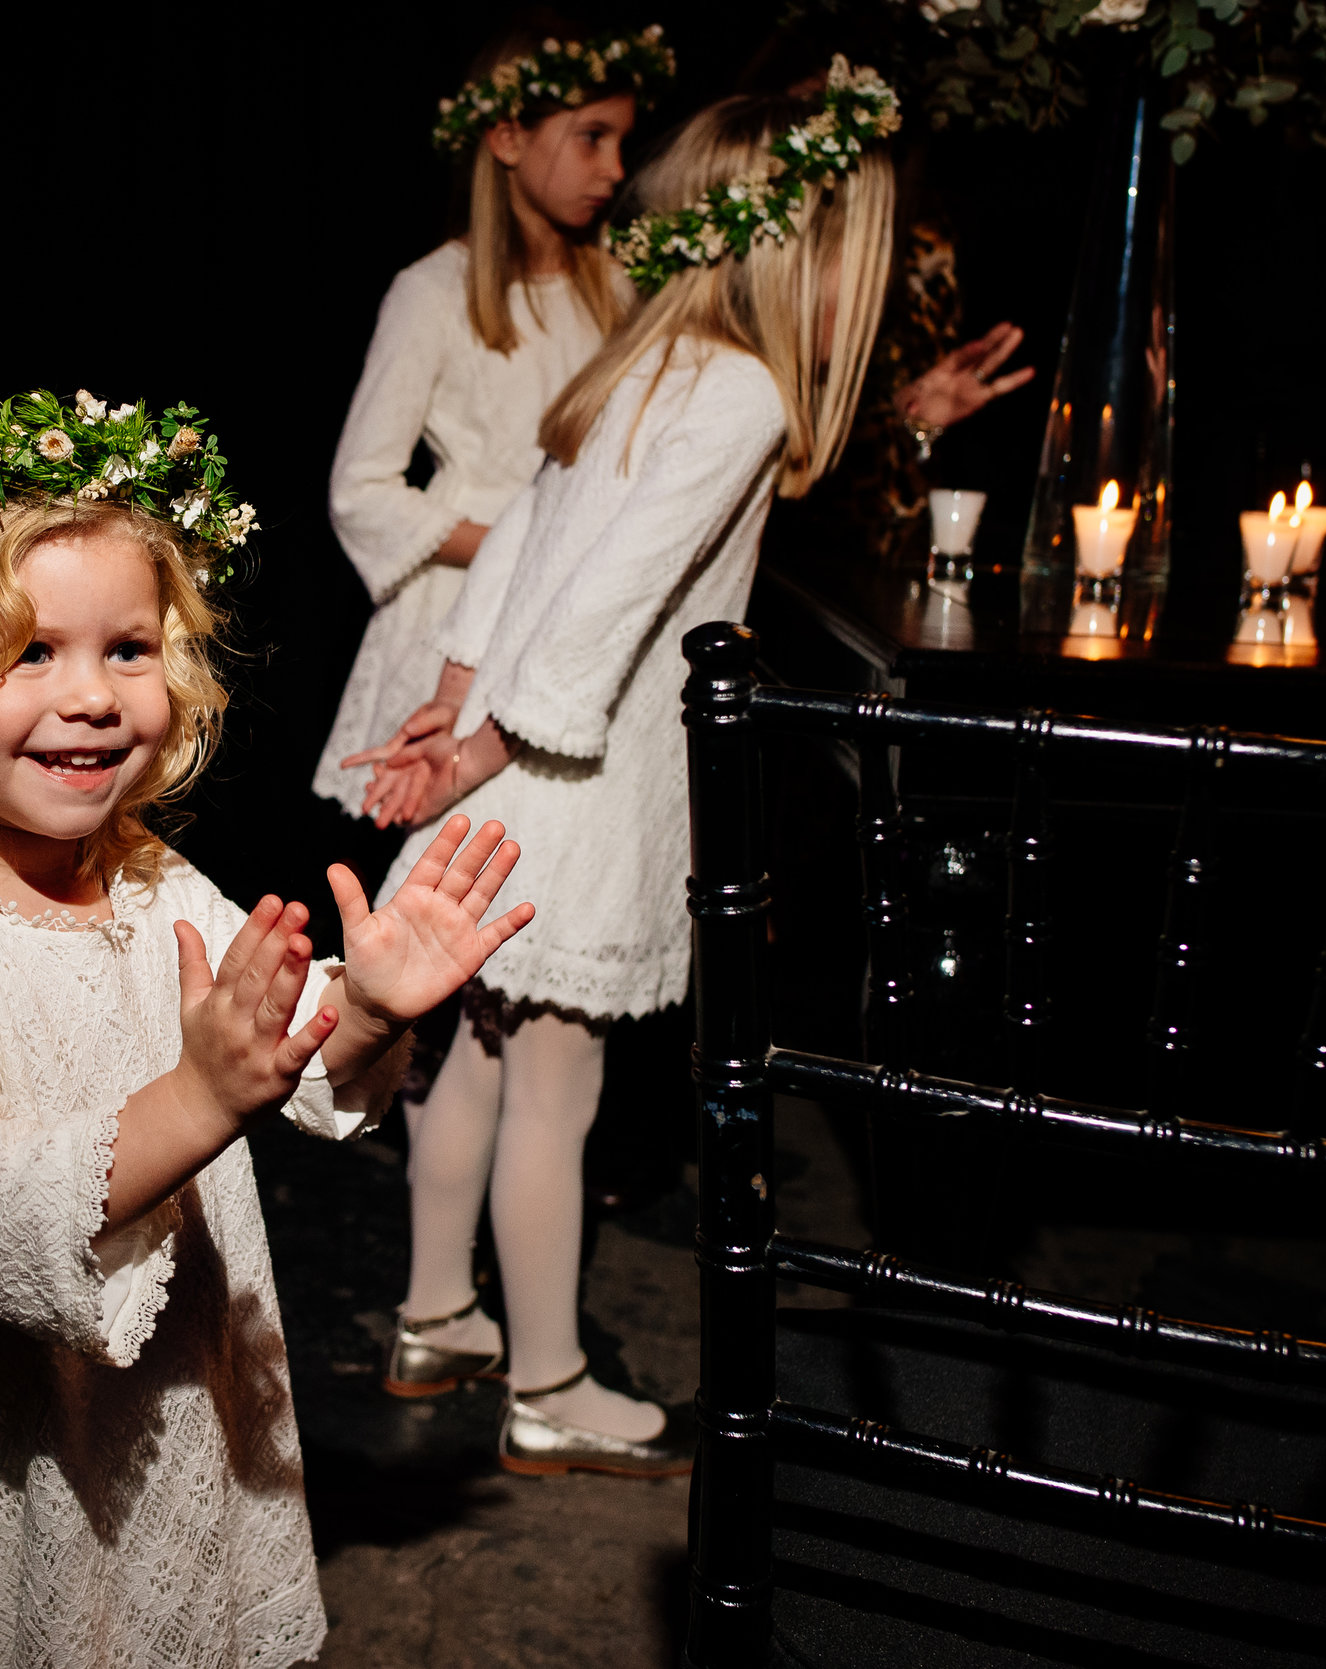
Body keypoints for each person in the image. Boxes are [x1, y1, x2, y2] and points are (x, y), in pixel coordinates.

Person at [0, 368, 535, 1666]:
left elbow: (284, 1046)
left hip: (167, 1421)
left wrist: (367, 1012)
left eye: (127, 649)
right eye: (28, 655)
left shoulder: (153, 877)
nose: (94, 696)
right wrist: (195, 1099)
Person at [340, 61, 917, 1476]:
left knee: (467, 1065)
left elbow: (524, 554)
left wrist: (454, 707)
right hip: (574, 782)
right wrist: (475, 736)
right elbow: (603, 602)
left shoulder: (641, 361)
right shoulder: (744, 399)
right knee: (556, 1091)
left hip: (512, 764)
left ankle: (436, 1317)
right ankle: (547, 1381)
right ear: (802, 249)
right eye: (860, 256)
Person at [312, 21, 671, 837]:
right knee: (440, 859)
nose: (614, 170)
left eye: (622, 141)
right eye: (591, 138)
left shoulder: (618, 290)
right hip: (457, 617)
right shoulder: (433, 293)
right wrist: (513, 541)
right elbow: (360, 489)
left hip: (568, 615)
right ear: (507, 137)